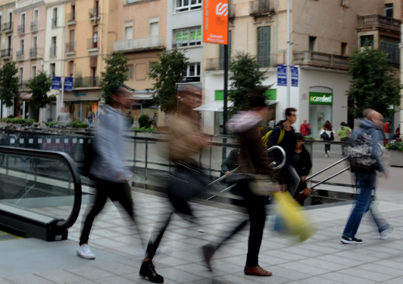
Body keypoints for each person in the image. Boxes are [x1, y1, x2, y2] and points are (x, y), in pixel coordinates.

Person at [202, 90, 280, 277]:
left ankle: (217, 249)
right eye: (267, 110)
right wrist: (274, 179)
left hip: (244, 180)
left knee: (249, 220)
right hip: (251, 181)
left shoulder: (245, 124)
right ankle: (250, 264)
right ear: (260, 109)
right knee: (257, 221)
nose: (268, 113)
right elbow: (259, 158)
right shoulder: (251, 127)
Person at [140, 85, 210, 283]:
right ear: (182, 98)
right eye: (191, 96)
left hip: (188, 173)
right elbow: (170, 150)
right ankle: (207, 263)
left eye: (197, 96)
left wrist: (200, 142)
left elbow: (196, 149)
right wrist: (192, 141)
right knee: (182, 221)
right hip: (181, 174)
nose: (195, 99)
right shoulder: (178, 120)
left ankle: (147, 262)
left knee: (174, 220)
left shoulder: (193, 120)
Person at [77, 84, 144, 260]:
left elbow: (118, 150)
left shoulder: (121, 118)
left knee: (130, 208)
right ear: (115, 97)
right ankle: (83, 244)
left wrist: (124, 171)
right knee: (97, 209)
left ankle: (142, 246)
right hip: (103, 174)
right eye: (125, 95)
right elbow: (104, 145)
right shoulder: (107, 116)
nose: (129, 98)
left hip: (117, 174)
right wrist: (117, 170)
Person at [341, 108, 393, 244]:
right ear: (373, 120)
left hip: (358, 169)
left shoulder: (358, 130)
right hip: (368, 171)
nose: (382, 122)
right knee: (361, 203)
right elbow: (375, 153)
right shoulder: (374, 132)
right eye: (380, 119)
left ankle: (382, 227)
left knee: (365, 201)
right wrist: (383, 169)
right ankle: (348, 235)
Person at [267, 108, 300, 197]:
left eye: (296, 115)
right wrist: (274, 162)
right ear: (287, 116)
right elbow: (270, 146)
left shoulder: (292, 130)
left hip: (288, 162)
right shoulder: (278, 130)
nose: (295, 117)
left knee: (295, 180)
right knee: (276, 186)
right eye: (293, 115)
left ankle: (287, 201)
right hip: (278, 163)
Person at [289, 133, 313, 202]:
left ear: (302, 141)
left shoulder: (305, 153)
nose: (297, 143)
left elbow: (309, 165)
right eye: (295, 141)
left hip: (301, 177)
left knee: (301, 195)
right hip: (291, 177)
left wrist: (305, 174)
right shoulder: (291, 151)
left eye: (299, 141)